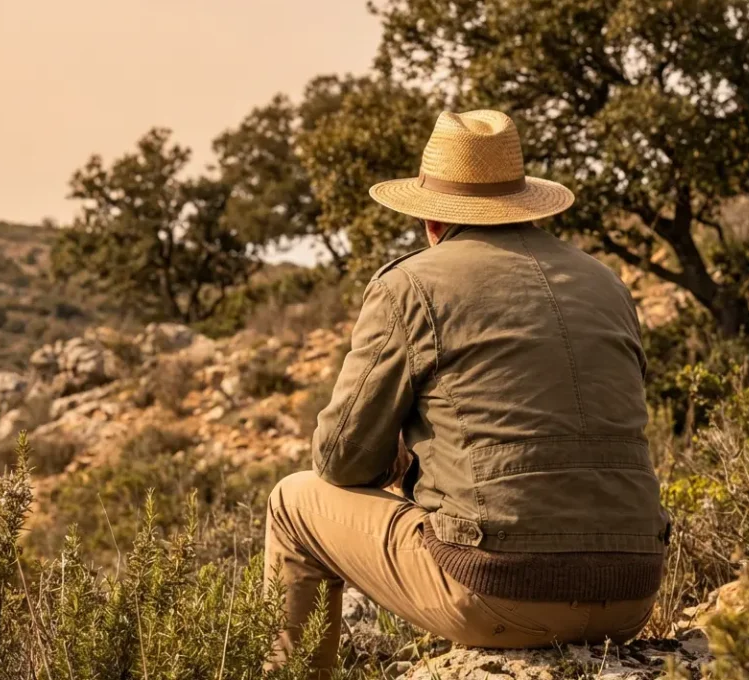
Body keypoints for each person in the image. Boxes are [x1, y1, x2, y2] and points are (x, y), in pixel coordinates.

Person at [264, 110, 671, 676]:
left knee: (292, 501)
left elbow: (339, 460)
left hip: (498, 594)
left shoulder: (409, 284)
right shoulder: (606, 282)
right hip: (631, 593)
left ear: (431, 218)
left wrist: (405, 463)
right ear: (527, 201)